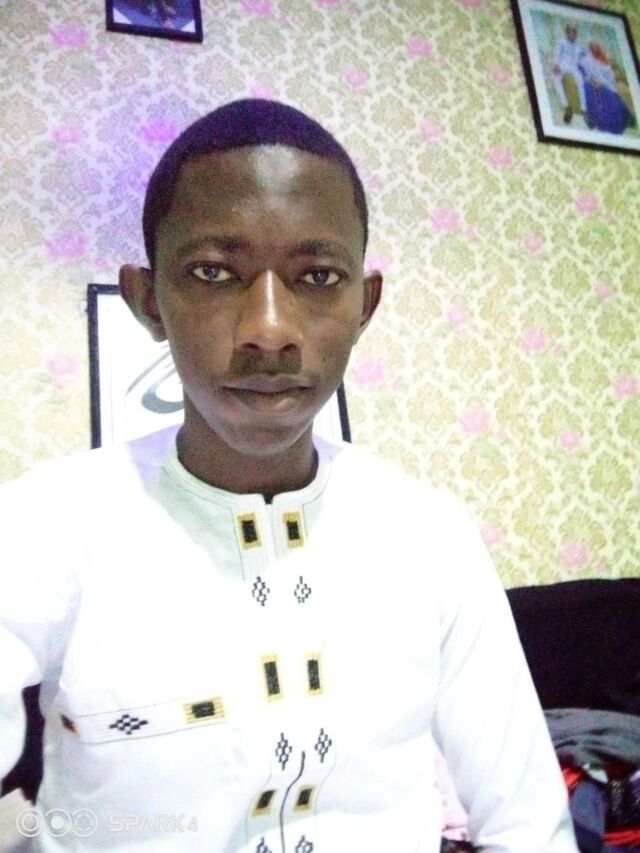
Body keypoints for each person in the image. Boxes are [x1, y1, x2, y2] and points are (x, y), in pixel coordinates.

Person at [0, 99, 579, 852]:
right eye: (213, 272)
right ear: (148, 300)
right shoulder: (45, 524)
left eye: (318, 276)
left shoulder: (430, 533)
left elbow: (527, 824)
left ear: (365, 304)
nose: (268, 330)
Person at [580, 41, 634, 134]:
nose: (594, 49)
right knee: (611, 97)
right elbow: (594, 75)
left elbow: (608, 74)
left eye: (596, 47)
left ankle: (628, 118)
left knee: (621, 91)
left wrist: (613, 80)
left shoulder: (603, 58)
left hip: (609, 82)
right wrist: (610, 86)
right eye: (592, 48)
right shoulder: (587, 60)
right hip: (598, 83)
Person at [551, 23, 587, 124]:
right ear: (567, 33)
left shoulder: (579, 44)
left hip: (574, 67)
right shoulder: (561, 42)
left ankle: (584, 110)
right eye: (570, 32)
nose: (572, 34)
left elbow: (584, 56)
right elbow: (556, 54)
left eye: (574, 33)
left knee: (581, 82)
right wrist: (556, 65)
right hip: (562, 66)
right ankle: (566, 107)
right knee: (555, 79)